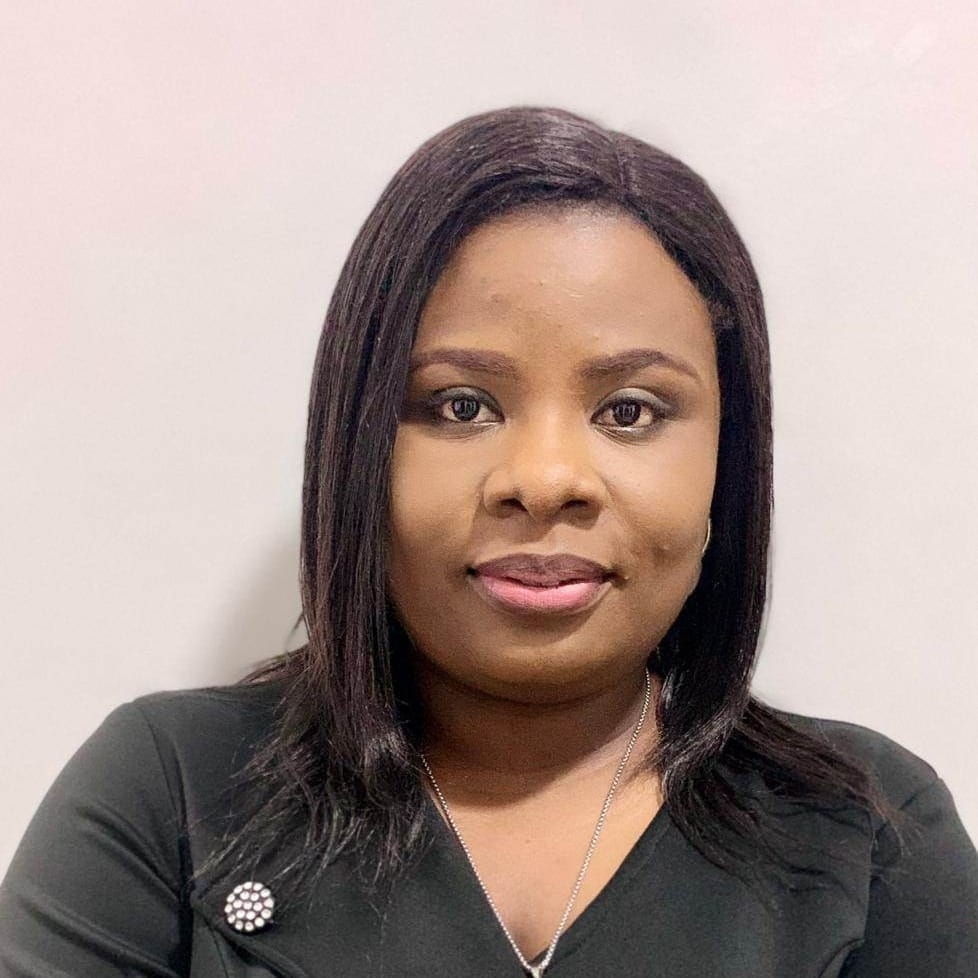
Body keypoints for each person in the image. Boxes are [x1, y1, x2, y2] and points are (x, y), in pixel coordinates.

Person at [1, 105, 976, 978]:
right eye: (461, 405)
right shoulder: (171, 794)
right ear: (358, 449)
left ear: (729, 466)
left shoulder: (869, 837)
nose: (544, 479)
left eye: (631, 411)